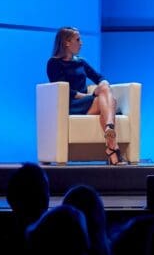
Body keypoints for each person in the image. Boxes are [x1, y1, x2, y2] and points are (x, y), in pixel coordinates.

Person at [46, 26, 126, 165]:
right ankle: (112, 145)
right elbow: (64, 90)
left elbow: (99, 77)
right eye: (78, 39)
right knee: (110, 101)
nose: (81, 43)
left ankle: (110, 136)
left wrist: (103, 85)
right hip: (71, 105)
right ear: (66, 42)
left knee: (106, 91)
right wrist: (87, 95)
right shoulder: (54, 63)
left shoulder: (81, 62)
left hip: (88, 103)